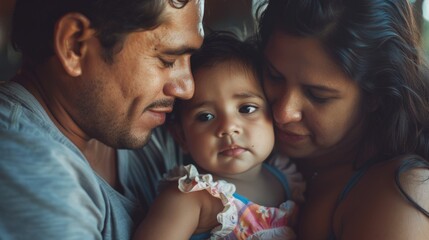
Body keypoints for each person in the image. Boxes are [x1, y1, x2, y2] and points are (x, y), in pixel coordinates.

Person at [0, 0, 204, 239]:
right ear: (75, 45)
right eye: (167, 60)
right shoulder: (28, 169)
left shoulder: (132, 123)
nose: (187, 89)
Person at [257, 0, 429, 239]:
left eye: (318, 96)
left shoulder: (397, 196)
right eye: (274, 76)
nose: (283, 112)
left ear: (375, 95)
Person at [133, 32, 306, 240]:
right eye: (205, 116)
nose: (229, 127)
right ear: (181, 136)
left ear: (273, 112)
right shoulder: (190, 198)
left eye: (247, 108)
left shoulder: (286, 179)